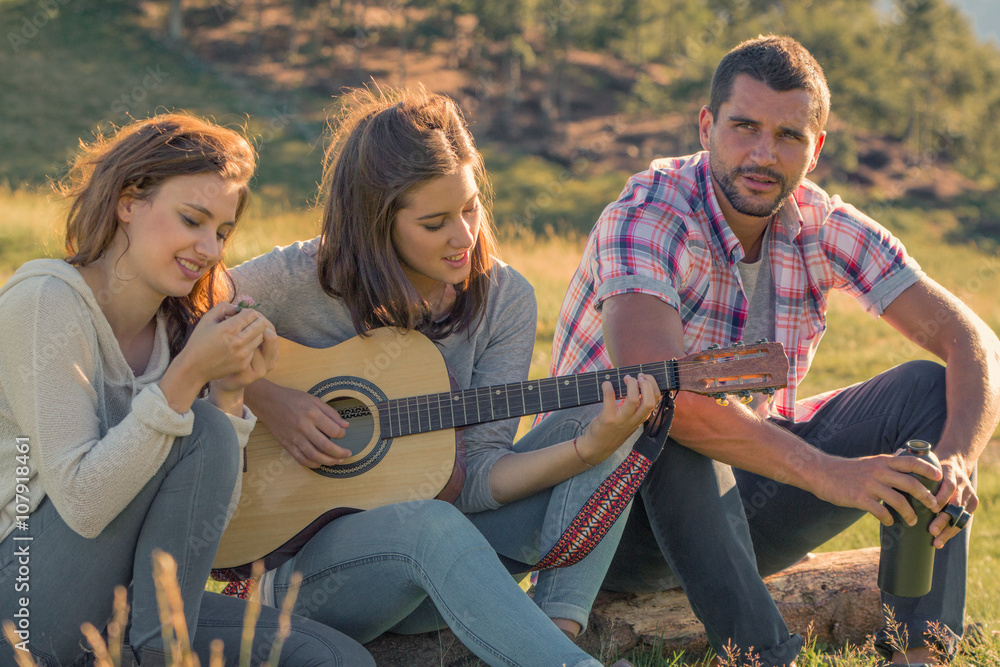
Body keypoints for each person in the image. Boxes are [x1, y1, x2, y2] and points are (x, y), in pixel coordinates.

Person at [547, 34, 999, 667]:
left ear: (815, 149)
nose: (763, 154)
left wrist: (955, 460)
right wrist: (834, 475)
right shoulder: (648, 212)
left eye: (788, 136)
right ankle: (768, 655)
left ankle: (918, 654)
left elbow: (975, 342)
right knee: (668, 404)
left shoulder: (822, 225)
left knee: (928, 391)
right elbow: (657, 383)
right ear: (707, 126)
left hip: (739, 514)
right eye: (744, 127)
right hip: (607, 520)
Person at [231, 86, 656, 667]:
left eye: (471, 207)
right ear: (376, 223)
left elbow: (479, 476)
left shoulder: (503, 300)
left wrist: (590, 448)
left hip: (453, 558)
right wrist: (267, 396)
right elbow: (178, 319)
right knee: (426, 523)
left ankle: (556, 633)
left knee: (618, 404)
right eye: (435, 223)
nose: (464, 236)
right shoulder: (300, 277)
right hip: (322, 581)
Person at [0, 114, 376, 667]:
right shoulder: (45, 303)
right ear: (129, 201)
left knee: (333, 659)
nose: (209, 248)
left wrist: (228, 391)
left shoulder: (177, 330)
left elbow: (200, 539)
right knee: (201, 428)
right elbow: (82, 503)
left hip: (122, 605)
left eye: (222, 232)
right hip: (25, 602)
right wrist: (187, 380)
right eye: (192, 220)